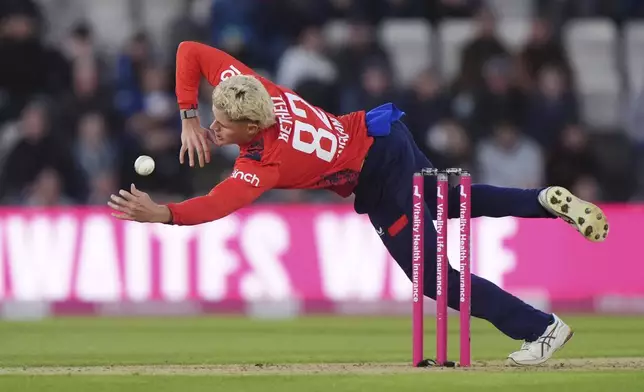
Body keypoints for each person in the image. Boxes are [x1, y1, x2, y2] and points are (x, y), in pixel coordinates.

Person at [108, 41, 609, 366]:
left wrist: (163, 214)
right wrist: (188, 115)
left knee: (434, 278)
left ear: (252, 128)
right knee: (448, 200)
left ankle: (543, 329)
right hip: (383, 134)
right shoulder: (257, 90)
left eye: (223, 124)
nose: (214, 126)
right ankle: (541, 202)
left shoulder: (266, 164)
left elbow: (218, 203)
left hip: (378, 176)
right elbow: (190, 50)